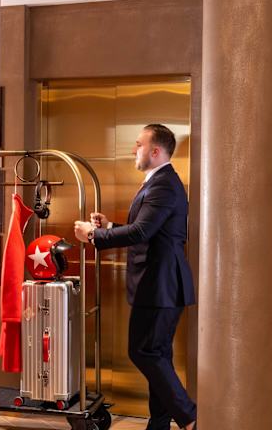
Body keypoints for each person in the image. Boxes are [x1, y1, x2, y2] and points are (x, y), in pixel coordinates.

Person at [73, 124, 197, 430]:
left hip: (160, 285)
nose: (134, 149)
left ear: (155, 151)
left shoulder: (164, 185)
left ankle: (190, 416)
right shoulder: (158, 182)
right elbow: (148, 230)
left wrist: (93, 235)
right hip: (158, 285)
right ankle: (160, 425)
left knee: (144, 351)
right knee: (158, 355)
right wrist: (109, 226)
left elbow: (141, 232)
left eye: (139, 144)